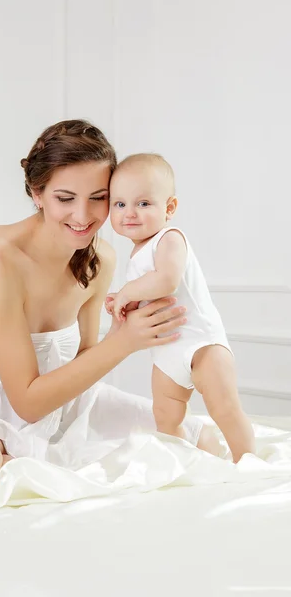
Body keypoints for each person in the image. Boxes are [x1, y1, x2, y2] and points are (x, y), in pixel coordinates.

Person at [0, 120, 221, 489]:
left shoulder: (100, 260)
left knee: (200, 443)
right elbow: (26, 400)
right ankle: (7, 453)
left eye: (98, 197)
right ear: (37, 192)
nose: (83, 215)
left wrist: (125, 332)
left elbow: (84, 364)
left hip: (58, 401)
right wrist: (123, 342)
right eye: (65, 198)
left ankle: (31, 453)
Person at [106, 153, 255, 462]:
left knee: (224, 408)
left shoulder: (169, 238)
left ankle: (247, 460)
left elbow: (167, 281)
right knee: (165, 414)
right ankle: (188, 458)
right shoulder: (136, 253)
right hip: (167, 355)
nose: (129, 213)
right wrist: (124, 301)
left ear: (169, 208)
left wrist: (129, 290)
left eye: (143, 203)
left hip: (201, 346)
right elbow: (150, 298)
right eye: (119, 204)